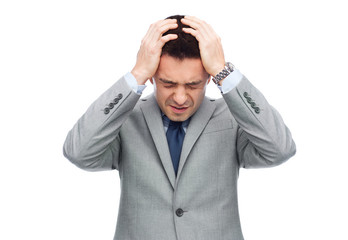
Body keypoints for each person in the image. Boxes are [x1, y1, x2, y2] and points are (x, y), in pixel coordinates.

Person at [63, 15, 296, 240]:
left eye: (193, 85)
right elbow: (79, 153)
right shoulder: (124, 120)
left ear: (208, 79)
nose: (180, 98)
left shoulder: (234, 119)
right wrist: (138, 73)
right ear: (153, 77)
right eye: (168, 83)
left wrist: (223, 71)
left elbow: (280, 149)